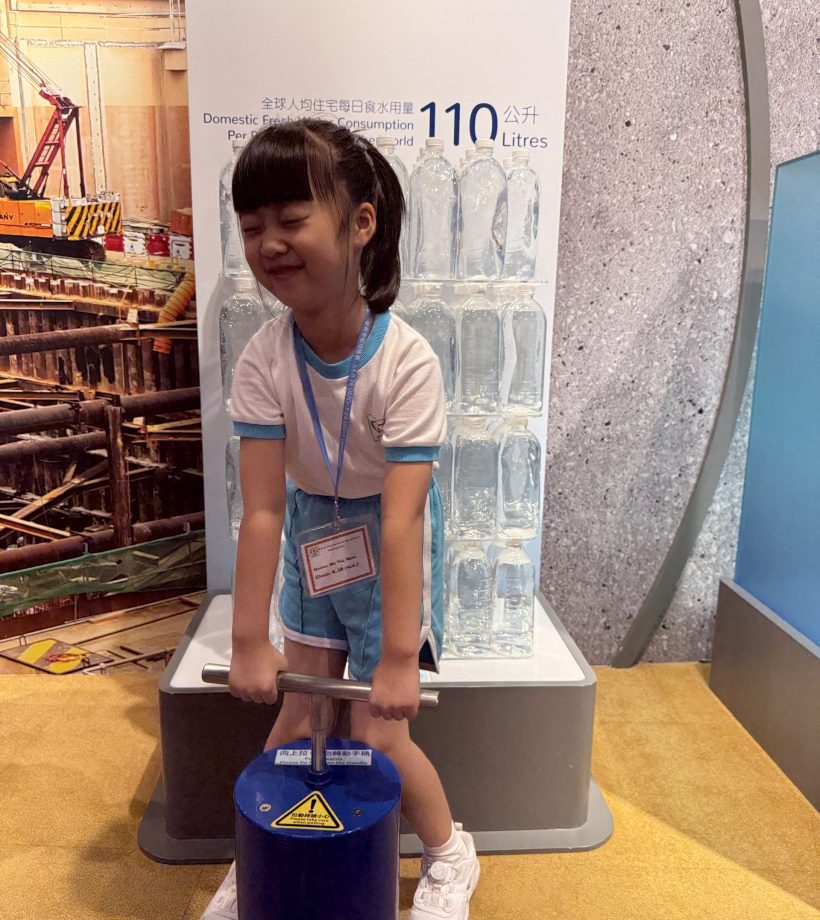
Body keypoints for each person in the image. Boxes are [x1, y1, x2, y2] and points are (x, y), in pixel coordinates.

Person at [201, 119, 480, 920]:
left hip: (388, 540)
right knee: (298, 715)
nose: (269, 244)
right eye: (252, 226)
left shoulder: (407, 361)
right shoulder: (264, 358)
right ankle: (260, 856)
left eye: (292, 220)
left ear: (361, 224)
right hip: (309, 529)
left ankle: (449, 853)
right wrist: (248, 641)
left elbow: (403, 522)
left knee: (379, 733)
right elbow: (261, 511)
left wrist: (396, 658)